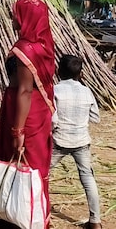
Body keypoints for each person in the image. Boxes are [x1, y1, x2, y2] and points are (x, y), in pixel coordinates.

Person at [0, 0, 55, 229]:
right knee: (34, 168)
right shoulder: (44, 46)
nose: (13, 18)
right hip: (40, 116)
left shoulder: (25, 49)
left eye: (16, 14)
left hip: (24, 116)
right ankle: (31, 217)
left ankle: (16, 219)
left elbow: (24, 91)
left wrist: (17, 130)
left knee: (20, 165)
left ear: (25, 18)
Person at [50, 54, 101, 229]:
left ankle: (37, 212)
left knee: (41, 174)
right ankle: (95, 221)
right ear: (80, 73)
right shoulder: (86, 91)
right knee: (88, 178)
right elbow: (95, 118)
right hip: (81, 141)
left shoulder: (55, 90)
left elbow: (53, 119)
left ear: (58, 71)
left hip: (59, 141)